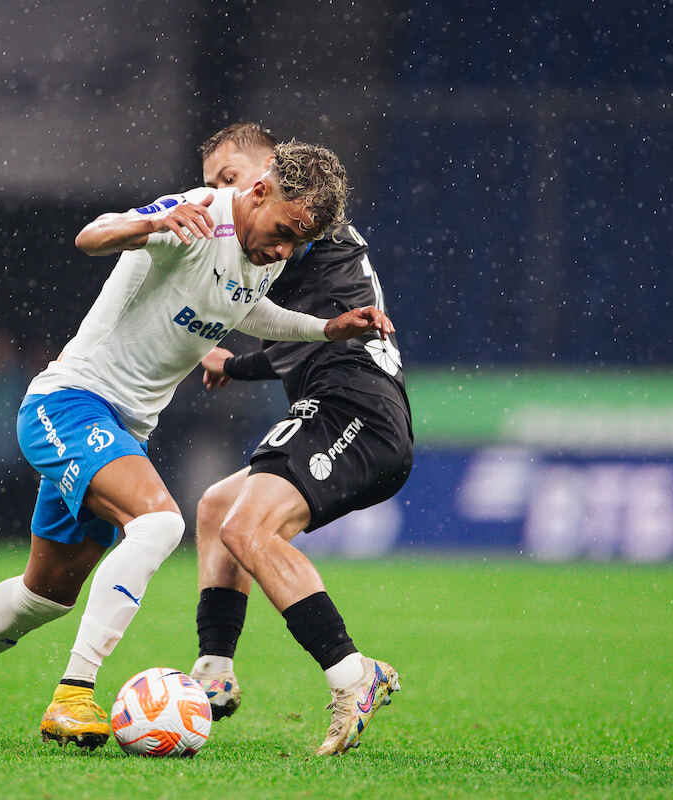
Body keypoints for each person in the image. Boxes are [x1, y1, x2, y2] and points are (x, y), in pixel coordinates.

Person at [0, 140, 395, 748]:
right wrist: (152, 222)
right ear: (259, 193)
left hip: (123, 429)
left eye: (297, 242)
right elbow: (92, 236)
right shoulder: (201, 212)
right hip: (69, 403)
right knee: (160, 525)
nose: (285, 249)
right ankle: (73, 696)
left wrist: (323, 329)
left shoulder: (266, 254)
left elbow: (246, 312)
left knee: (44, 594)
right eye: (284, 230)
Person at [189, 124, 413, 756]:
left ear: (268, 177)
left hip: (354, 408)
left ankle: (353, 675)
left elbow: (292, 325)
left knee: (249, 530)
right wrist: (230, 364)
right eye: (211, 185)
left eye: (229, 180)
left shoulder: (306, 231)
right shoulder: (288, 232)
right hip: (341, 404)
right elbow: (295, 339)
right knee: (217, 509)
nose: (220, 195)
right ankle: (214, 672)